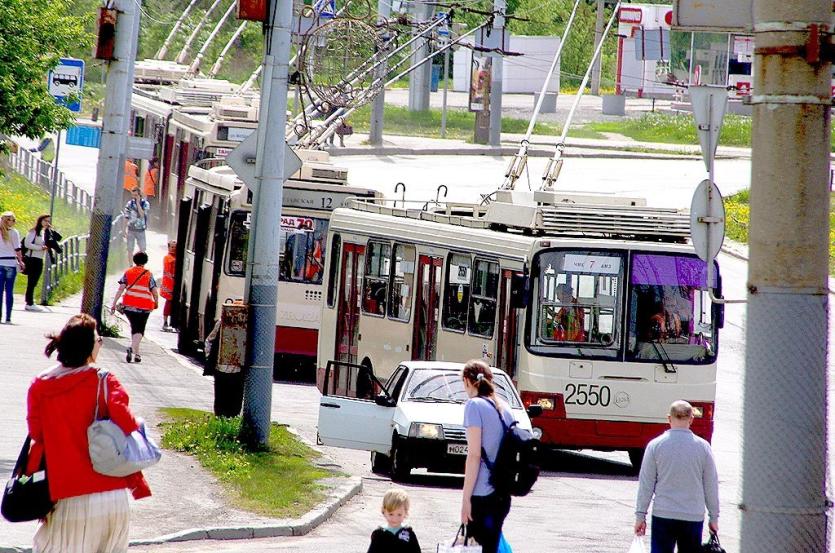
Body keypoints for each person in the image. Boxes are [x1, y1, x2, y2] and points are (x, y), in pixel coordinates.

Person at [26, 313, 151, 552]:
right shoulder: (104, 381)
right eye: (98, 339)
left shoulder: (40, 386)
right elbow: (127, 423)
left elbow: (36, 433)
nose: (101, 342)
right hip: (111, 494)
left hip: (66, 494)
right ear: (87, 347)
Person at [635, 400, 720, 553]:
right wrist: (714, 517)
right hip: (693, 515)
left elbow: (646, 484)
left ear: (669, 418)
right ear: (691, 419)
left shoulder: (655, 445)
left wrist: (640, 515)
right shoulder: (703, 447)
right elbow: (711, 485)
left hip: (663, 513)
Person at [461, 359, 515, 553]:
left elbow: (474, 455)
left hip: (482, 493)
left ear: (467, 381)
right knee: (491, 546)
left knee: (477, 547)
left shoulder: (474, 406)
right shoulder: (505, 408)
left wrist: (465, 499)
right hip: (502, 493)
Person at [110, 252, 159, 363]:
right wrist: (156, 302)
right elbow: (155, 291)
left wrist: (114, 304)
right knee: (140, 330)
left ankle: (137, 354)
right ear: (145, 261)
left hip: (129, 306)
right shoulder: (148, 274)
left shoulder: (128, 272)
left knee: (135, 328)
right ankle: (131, 349)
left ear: (134, 260)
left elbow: (121, 289)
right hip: (144, 307)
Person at [22, 214, 61, 312]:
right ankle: (29, 302)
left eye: (48, 221)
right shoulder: (34, 231)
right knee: (32, 281)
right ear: (40, 221)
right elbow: (27, 243)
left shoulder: (46, 232)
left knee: (34, 281)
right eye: (45, 221)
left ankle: (29, 301)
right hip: (32, 258)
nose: (47, 223)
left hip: (39, 258)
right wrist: (40, 248)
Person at [367, 488, 421, 553]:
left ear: (405, 513)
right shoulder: (379, 534)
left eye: (399, 514)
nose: (395, 519)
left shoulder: (408, 533)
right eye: (391, 514)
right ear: (384, 511)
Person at [0, 211, 25, 324]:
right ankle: (8, 317)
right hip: (10, 262)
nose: (14, 222)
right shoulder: (14, 233)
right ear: (8, 221)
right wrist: (21, 261)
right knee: (9, 291)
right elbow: (17, 249)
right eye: (13, 220)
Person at [123, 187, 150, 259]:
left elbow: (142, 215)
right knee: (130, 249)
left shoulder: (145, 204)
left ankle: (141, 264)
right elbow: (126, 217)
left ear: (140, 195)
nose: (134, 197)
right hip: (131, 229)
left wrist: (138, 203)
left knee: (142, 249)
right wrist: (124, 229)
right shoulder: (129, 204)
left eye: (136, 195)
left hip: (141, 229)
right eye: (133, 195)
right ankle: (131, 265)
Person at [160, 240, 176, 331]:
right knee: (168, 302)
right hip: (169, 284)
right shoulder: (167, 258)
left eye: (175, 247)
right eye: (172, 247)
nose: (173, 249)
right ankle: (165, 321)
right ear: (169, 248)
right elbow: (167, 271)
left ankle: (170, 322)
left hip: (173, 283)